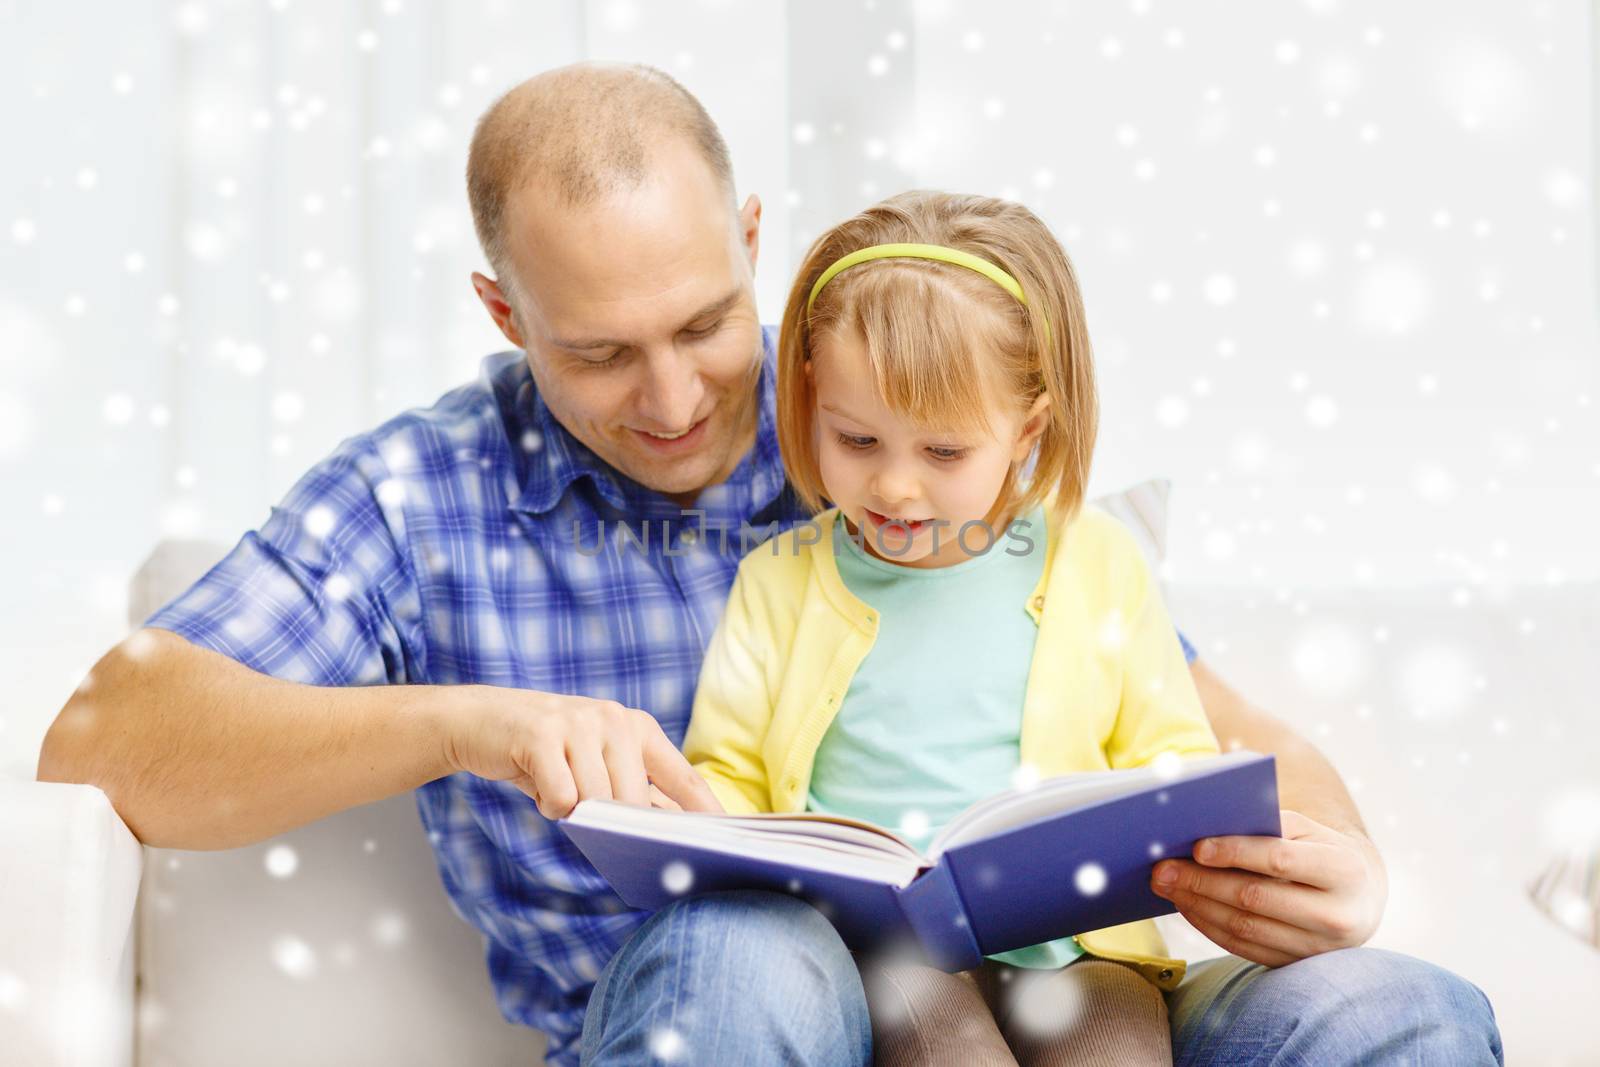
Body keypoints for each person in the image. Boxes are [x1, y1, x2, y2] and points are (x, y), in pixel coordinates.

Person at [35, 62, 1502, 1066]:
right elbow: (112, 739)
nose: (674, 400)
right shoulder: (422, 493)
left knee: (1400, 1005)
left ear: (751, 243)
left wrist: (1330, 868)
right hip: (735, 1013)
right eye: (598, 353)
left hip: (1071, 999)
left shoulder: (880, 429)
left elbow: (1224, 735)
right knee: (741, 944)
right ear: (502, 311)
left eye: (705, 324)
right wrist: (469, 723)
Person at [677, 189, 1220, 1065]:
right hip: (885, 944)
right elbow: (727, 771)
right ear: (813, 399)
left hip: (1080, 945)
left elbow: (1172, 755)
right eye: (856, 440)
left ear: (1027, 429)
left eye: (943, 452)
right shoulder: (778, 581)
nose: (894, 487)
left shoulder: (1100, 562)